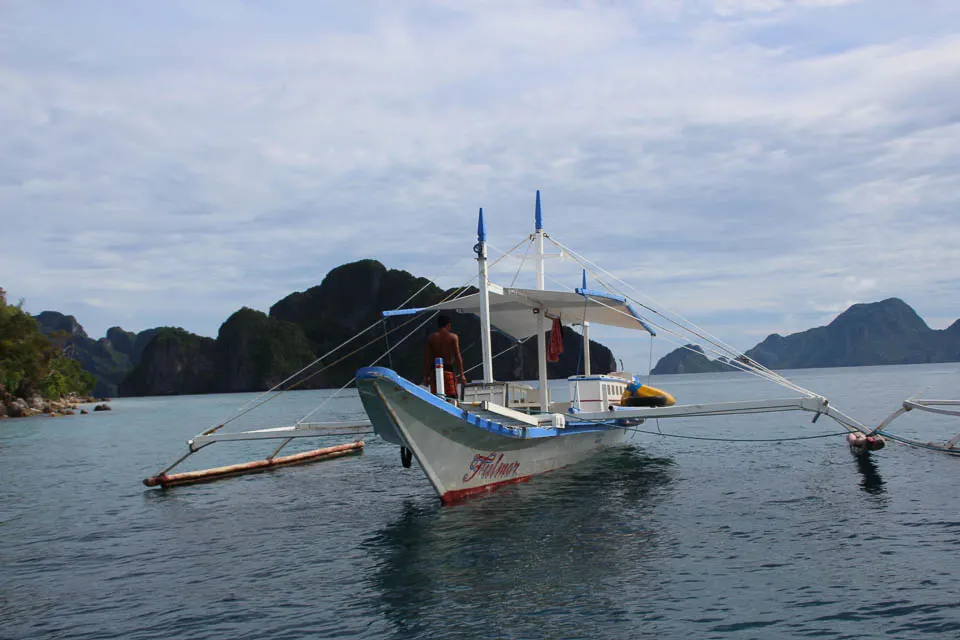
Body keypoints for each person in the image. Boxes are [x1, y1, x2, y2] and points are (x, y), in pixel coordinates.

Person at [422, 314, 468, 397]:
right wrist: (462, 375)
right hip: (448, 370)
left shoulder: (431, 338)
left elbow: (427, 359)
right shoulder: (453, 337)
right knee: (452, 396)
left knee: (436, 396)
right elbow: (458, 356)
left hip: (434, 371)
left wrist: (425, 376)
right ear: (448, 325)